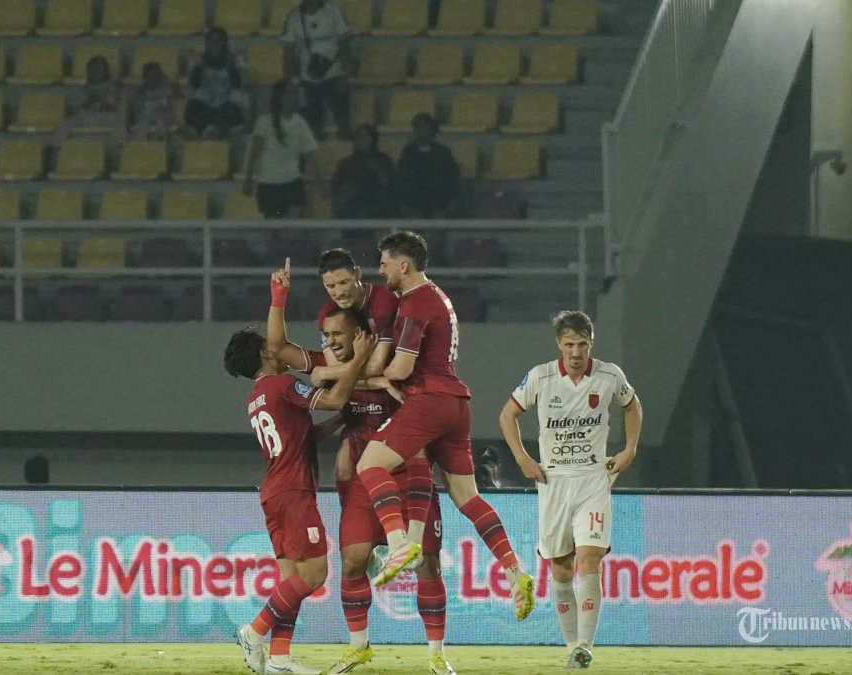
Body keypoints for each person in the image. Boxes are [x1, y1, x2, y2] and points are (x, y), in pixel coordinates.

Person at [266, 278, 455, 675]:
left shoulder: (400, 366)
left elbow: (429, 407)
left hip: (409, 473)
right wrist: (278, 298)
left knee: (429, 566)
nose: (331, 341)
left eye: (339, 334)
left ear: (362, 335)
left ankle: (437, 655)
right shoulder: (331, 367)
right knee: (352, 562)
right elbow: (278, 348)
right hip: (361, 484)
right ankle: (359, 648)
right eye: (326, 334)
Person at [355, 231, 536, 624]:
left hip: (430, 401)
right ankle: (513, 569)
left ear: (404, 265)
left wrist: (376, 377)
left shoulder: (414, 303)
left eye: (384, 262)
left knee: (369, 465)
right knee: (467, 497)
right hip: (457, 403)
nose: (380, 268)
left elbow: (402, 368)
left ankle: (400, 543)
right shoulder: (439, 297)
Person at [226, 315, 374, 675]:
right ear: (264, 352)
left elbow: (302, 438)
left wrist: (342, 423)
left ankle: (279, 660)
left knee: (291, 580)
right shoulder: (281, 385)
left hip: (274, 491)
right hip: (294, 492)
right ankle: (253, 631)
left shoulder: (256, 396)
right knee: (314, 575)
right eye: (269, 344)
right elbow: (335, 397)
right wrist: (360, 359)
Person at [498, 310, 642, 670]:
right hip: (553, 482)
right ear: (558, 345)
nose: (575, 352)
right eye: (568, 345)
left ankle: (585, 646)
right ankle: (571, 646)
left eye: (581, 344)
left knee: (589, 559)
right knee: (561, 570)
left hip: (594, 479)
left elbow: (632, 405)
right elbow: (506, 415)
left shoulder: (609, 375)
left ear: (591, 343)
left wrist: (629, 449)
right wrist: (522, 459)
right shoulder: (541, 377)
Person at [243, 79, 319, 219]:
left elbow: (309, 156)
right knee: (273, 229)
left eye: (295, 93)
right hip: (269, 183)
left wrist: (319, 183)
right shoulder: (264, 121)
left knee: (294, 227)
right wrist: (248, 179)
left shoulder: (300, 122)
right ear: (279, 96)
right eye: (289, 93)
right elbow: (254, 152)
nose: (293, 96)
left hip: (293, 181)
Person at [280, 0, 353, 138]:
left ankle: (344, 140)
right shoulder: (294, 17)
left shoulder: (333, 11)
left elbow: (345, 43)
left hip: (334, 72)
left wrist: (344, 72)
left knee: (342, 112)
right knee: (312, 121)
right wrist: (293, 81)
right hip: (308, 77)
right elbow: (288, 54)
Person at [394, 114, 461, 218]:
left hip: (438, 205)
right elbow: (401, 180)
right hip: (413, 206)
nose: (422, 131)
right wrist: (404, 205)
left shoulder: (443, 153)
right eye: (418, 127)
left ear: (432, 129)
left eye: (425, 127)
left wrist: (451, 202)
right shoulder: (408, 153)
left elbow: (452, 179)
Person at [185, 26, 246, 139]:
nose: (214, 44)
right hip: (205, 106)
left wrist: (230, 67)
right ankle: (210, 130)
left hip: (225, 106)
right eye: (211, 41)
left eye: (218, 41)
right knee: (193, 107)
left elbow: (238, 85)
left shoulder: (235, 60)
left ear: (224, 43)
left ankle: (212, 130)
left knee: (231, 110)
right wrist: (199, 68)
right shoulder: (199, 61)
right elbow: (193, 85)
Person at [51, 54, 125, 146]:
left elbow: (114, 107)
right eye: (92, 68)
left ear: (105, 71)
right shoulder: (82, 88)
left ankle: (115, 148)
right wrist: (85, 103)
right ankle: (54, 146)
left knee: (119, 124)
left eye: (99, 68)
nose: (95, 71)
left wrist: (101, 101)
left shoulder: (112, 87)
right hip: (85, 117)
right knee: (65, 123)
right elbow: (72, 108)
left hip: (106, 117)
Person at [331, 124, 397, 219]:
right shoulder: (346, 163)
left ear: (373, 139)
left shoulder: (383, 161)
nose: (360, 139)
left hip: (377, 210)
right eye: (357, 136)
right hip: (351, 211)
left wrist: (377, 171)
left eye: (365, 136)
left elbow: (390, 186)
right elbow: (336, 187)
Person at [127, 61, 176, 141]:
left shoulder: (166, 90)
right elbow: (136, 108)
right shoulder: (139, 92)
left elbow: (169, 107)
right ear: (145, 77)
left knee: (160, 116)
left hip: (161, 116)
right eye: (150, 75)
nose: (153, 77)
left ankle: (161, 140)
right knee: (144, 121)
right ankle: (140, 146)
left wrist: (166, 85)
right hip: (144, 116)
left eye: (156, 74)